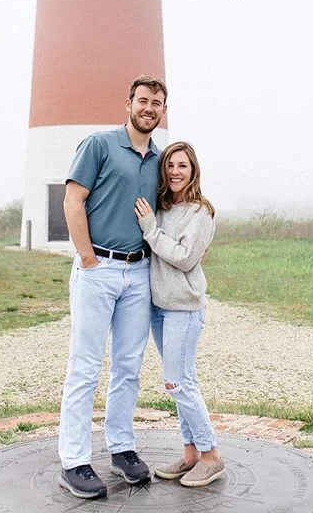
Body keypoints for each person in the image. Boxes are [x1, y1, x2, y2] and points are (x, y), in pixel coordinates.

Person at [58, 75, 168, 500]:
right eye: (143, 100)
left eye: (157, 103)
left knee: (128, 366)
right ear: (128, 103)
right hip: (97, 267)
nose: (149, 108)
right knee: (85, 366)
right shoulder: (99, 145)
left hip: (139, 272)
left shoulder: (159, 159)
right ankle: (74, 460)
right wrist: (87, 258)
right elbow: (73, 199)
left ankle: (121, 448)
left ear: (162, 110)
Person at [135, 141, 225, 488]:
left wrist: (150, 229)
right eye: (170, 165)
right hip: (160, 307)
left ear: (193, 171)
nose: (174, 171)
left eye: (182, 166)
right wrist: (151, 224)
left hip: (184, 309)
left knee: (176, 382)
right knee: (182, 381)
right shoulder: (162, 208)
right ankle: (190, 454)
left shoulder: (200, 214)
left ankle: (211, 456)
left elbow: (186, 258)